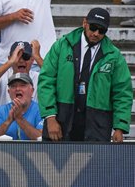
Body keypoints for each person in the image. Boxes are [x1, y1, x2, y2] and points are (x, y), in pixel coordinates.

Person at [38, 8, 132, 142]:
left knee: (96, 163)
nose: (96, 33)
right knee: (55, 162)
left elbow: (122, 92)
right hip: (61, 120)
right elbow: (46, 80)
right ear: (84, 23)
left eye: (102, 31)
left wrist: (120, 127)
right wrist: (50, 117)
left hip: (97, 124)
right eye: (93, 27)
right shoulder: (62, 46)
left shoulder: (114, 56)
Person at [0, 40, 43, 108]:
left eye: (26, 57)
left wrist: (37, 56)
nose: (21, 61)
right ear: (10, 58)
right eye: (17, 57)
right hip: (5, 118)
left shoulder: (38, 77)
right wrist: (10, 62)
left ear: (32, 59)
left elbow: (55, 80)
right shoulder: (2, 76)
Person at [0, 72, 43, 141]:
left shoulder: (41, 110)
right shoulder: (0, 111)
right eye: (13, 86)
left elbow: (41, 138)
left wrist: (19, 119)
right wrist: (8, 121)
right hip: (5, 151)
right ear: (9, 92)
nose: (18, 89)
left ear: (32, 91)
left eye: (22, 85)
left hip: (34, 151)